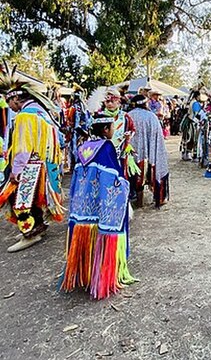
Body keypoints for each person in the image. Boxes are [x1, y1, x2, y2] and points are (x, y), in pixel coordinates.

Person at [60, 114, 135, 299]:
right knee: (104, 229)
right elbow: (113, 172)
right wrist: (123, 184)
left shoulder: (84, 146)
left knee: (87, 230)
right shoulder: (106, 146)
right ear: (105, 130)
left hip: (83, 204)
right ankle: (101, 276)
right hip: (101, 201)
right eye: (111, 128)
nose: (113, 131)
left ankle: (84, 273)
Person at [0, 72, 64, 252]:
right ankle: (39, 226)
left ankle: (30, 233)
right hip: (44, 164)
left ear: (15, 99)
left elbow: (23, 147)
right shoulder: (41, 112)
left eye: (8, 102)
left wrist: (16, 170)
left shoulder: (24, 116)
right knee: (34, 198)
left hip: (30, 165)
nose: (9, 106)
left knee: (19, 200)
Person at [128, 95, 170, 208]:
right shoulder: (151, 117)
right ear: (145, 103)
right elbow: (158, 139)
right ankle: (158, 197)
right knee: (146, 171)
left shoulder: (128, 116)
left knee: (135, 174)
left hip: (132, 155)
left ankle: (136, 199)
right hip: (149, 155)